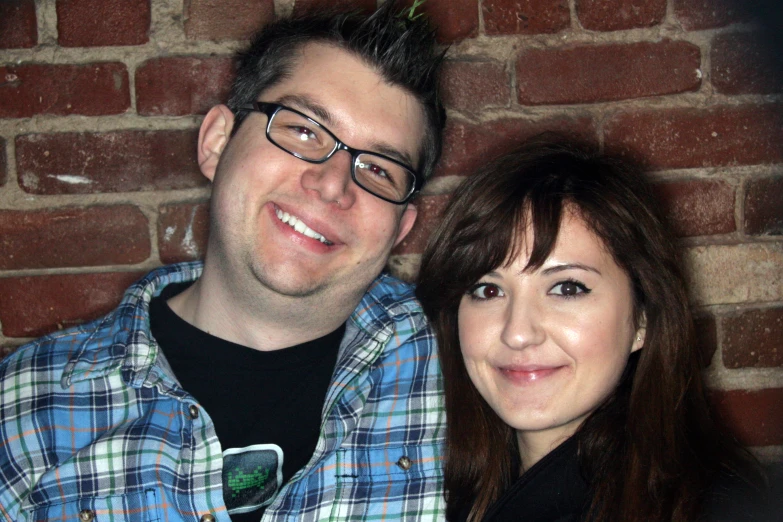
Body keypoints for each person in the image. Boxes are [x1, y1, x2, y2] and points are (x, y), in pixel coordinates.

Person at [0, 3, 447, 521]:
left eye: (380, 169)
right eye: (303, 130)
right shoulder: (25, 405)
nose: (333, 185)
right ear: (217, 142)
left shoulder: (466, 363)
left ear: (401, 228)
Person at [416, 141, 766, 522]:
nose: (517, 333)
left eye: (567, 288)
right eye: (488, 290)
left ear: (643, 317)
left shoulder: (717, 508)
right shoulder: (430, 490)